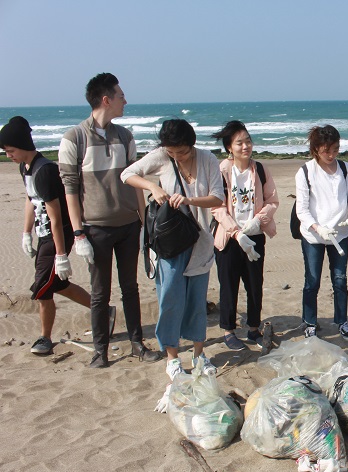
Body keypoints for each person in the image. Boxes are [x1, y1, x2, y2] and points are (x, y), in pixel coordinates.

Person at [120, 119, 224, 406]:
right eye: (173, 152)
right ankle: (173, 358)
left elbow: (218, 197)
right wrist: (152, 187)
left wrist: (189, 200)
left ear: (192, 144)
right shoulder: (162, 157)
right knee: (170, 300)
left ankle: (200, 355)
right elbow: (127, 174)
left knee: (196, 301)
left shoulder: (207, 159)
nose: (177, 157)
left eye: (182, 152)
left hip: (200, 240)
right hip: (169, 245)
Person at [58, 73, 159, 368]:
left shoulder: (125, 136)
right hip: (96, 230)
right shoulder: (74, 138)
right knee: (100, 293)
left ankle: (137, 342)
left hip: (128, 226)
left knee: (131, 287)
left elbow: (136, 180)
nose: (125, 101)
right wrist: (78, 234)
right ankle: (99, 351)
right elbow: (70, 189)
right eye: (121, 96)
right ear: (106, 99)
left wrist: (145, 226)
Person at [1, 116, 91, 355]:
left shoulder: (45, 171)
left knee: (42, 288)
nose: (8, 155)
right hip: (43, 236)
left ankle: (45, 338)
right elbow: (30, 200)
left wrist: (62, 254)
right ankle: (103, 310)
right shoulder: (25, 168)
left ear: (23, 146)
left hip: (57, 236)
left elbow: (57, 218)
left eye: (10, 150)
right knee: (58, 283)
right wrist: (25, 233)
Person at [210, 121, 279, 350]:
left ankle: (253, 328)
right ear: (229, 147)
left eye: (248, 140)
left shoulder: (260, 169)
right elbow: (217, 207)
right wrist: (237, 232)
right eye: (239, 142)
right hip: (229, 239)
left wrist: (258, 220)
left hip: (255, 236)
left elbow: (272, 200)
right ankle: (228, 331)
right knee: (228, 285)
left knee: (254, 284)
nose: (245, 146)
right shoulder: (221, 171)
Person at [295, 125, 348, 340]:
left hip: (340, 233)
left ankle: (342, 321)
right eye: (327, 151)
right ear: (316, 150)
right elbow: (302, 210)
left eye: (335, 149)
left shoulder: (344, 168)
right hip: (314, 235)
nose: (332, 155)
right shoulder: (305, 171)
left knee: (340, 279)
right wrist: (318, 228)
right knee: (312, 280)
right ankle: (310, 322)